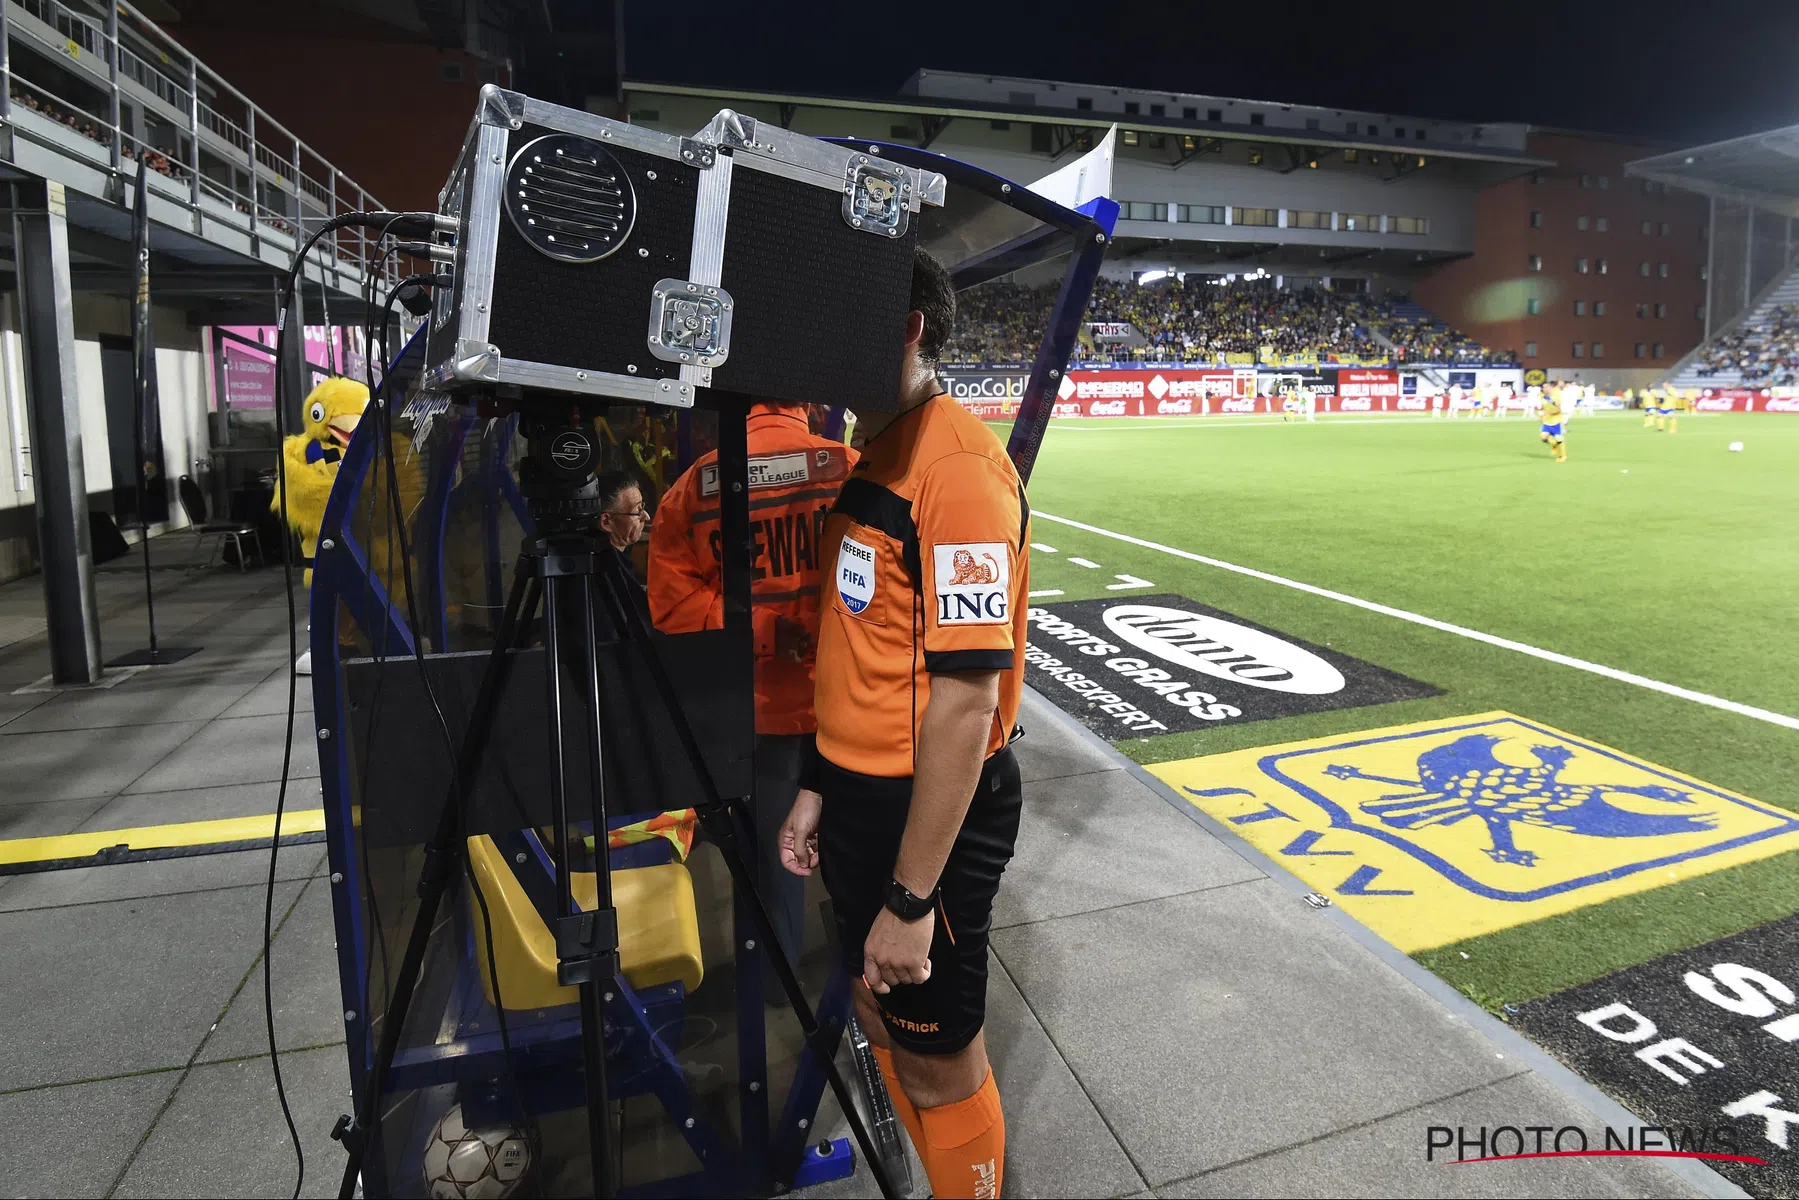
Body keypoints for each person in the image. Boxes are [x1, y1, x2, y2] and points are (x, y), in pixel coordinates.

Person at [780, 247, 1027, 1200]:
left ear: (910, 328)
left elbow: (966, 701)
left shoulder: (957, 470)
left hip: (927, 817)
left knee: (937, 1058)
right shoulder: (872, 451)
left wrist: (914, 901)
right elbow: (860, 644)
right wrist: (816, 781)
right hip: (858, 798)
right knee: (877, 1014)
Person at [646, 404, 858, 971]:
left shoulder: (694, 488)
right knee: (864, 848)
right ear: (805, 402)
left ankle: (778, 985)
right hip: (852, 704)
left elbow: (672, 608)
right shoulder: (846, 468)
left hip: (763, 714)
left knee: (778, 861)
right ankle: (868, 974)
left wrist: (762, 629)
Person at [1542, 383, 1569, 462]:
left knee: (1559, 439)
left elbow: (1559, 410)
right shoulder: (1543, 397)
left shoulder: (1555, 397)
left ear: (1550, 388)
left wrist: (1549, 413)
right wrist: (1541, 415)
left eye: (1546, 387)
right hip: (1546, 421)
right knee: (1543, 438)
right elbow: (1543, 407)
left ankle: (1563, 456)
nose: (1544, 389)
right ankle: (1554, 446)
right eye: (1543, 387)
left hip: (1556, 422)